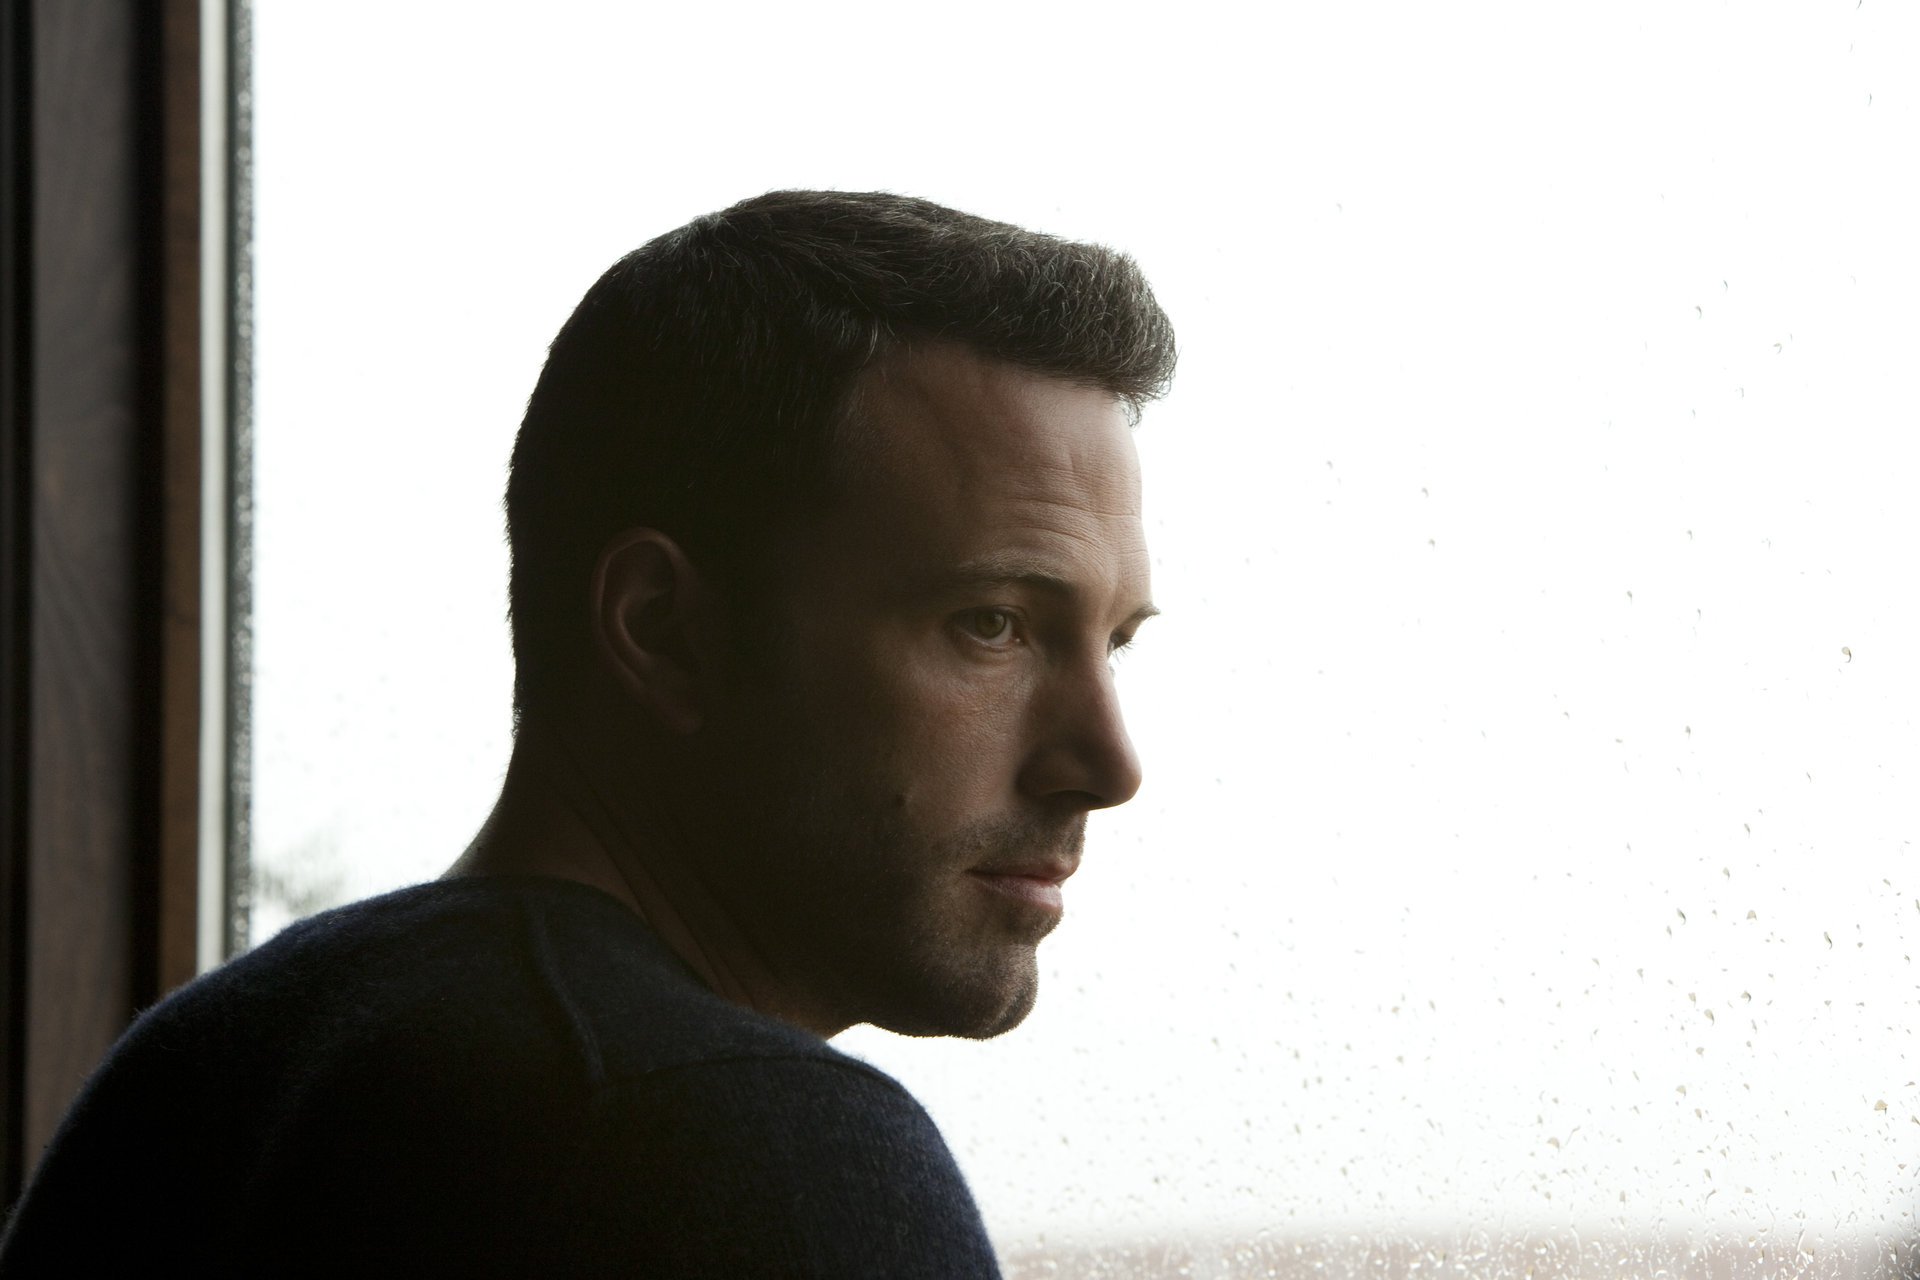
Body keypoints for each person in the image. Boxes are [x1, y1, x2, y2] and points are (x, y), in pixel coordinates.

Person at [0, 190, 1176, 1275]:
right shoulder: (740, 1148)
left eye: (1114, 642)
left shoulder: (210, 1067)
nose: (1108, 764)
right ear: (663, 629)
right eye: (992, 623)